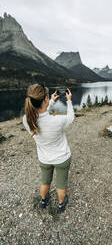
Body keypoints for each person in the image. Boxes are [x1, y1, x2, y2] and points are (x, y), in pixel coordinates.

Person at [23, 84, 74, 212]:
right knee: (61, 184)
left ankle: (43, 200)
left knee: (45, 181)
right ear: (45, 99)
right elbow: (70, 117)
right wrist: (69, 101)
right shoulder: (57, 120)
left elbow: (41, 114)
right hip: (62, 158)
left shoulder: (27, 120)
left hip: (44, 159)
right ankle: (61, 203)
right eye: (47, 97)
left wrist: (51, 101)